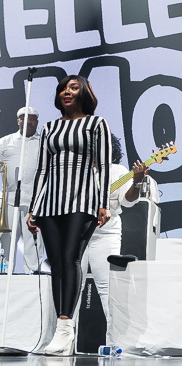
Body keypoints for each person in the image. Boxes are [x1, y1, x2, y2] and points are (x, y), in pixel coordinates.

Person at [26, 75, 112, 355]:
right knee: (56, 263)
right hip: (51, 201)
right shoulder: (50, 128)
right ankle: (60, 332)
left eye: (73, 87)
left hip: (83, 199)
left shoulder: (96, 124)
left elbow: (103, 165)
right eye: (63, 88)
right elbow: (42, 170)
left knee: (70, 257)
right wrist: (33, 208)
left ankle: (65, 328)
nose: (67, 91)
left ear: (84, 93)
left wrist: (103, 203)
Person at [78, 134, 146, 341]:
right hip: (76, 234)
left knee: (108, 287)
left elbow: (128, 202)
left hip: (105, 234)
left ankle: (116, 342)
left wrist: (137, 182)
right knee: (71, 288)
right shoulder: (78, 170)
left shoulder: (118, 172)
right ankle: (65, 339)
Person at [0, 106, 44, 273]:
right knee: (8, 240)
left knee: (34, 240)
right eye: (25, 118)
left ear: (37, 122)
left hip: (35, 202)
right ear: (18, 120)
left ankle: (32, 275)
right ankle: (5, 274)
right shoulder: (5, 142)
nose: (29, 122)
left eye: (32, 118)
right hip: (10, 200)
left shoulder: (44, 143)